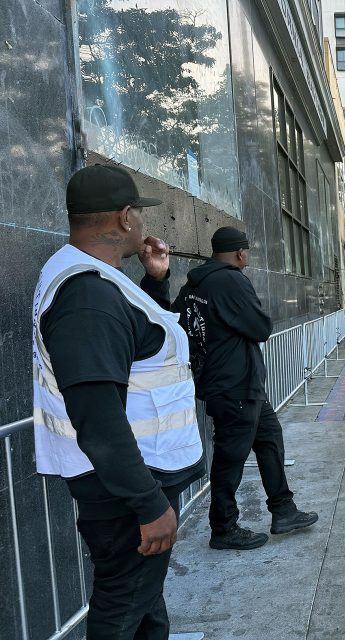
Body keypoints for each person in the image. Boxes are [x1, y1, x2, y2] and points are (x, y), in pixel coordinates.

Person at [33, 164, 205, 639]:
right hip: (127, 488)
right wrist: (149, 504)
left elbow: (137, 348)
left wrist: (155, 282)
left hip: (130, 480)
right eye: (141, 215)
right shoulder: (86, 294)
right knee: (123, 608)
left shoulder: (96, 278)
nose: (144, 225)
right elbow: (97, 415)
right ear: (126, 218)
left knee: (143, 606)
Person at [173, 226, 318, 550]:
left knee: (269, 438)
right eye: (247, 252)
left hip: (235, 386)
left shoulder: (194, 284)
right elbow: (261, 327)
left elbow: (181, 324)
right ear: (240, 252)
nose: (248, 257)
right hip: (235, 386)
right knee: (230, 458)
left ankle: (284, 509)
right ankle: (223, 527)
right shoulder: (231, 279)